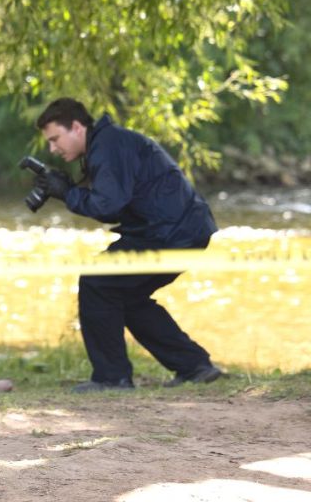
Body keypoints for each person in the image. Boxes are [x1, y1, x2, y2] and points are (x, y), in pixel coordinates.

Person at [33, 97, 222, 393]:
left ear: (77, 127)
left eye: (55, 139)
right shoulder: (108, 143)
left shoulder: (107, 146)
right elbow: (116, 202)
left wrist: (68, 193)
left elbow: (108, 205)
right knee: (126, 296)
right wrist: (69, 190)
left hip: (171, 233)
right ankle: (195, 367)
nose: (52, 149)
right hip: (182, 230)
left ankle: (112, 378)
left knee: (98, 281)